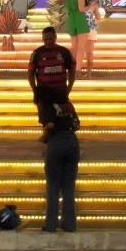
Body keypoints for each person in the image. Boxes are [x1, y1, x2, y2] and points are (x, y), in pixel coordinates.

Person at [41, 99, 80, 232]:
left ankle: (51, 224)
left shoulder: (48, 105)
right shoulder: (68, 105)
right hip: (72, 142)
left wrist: (45, 136)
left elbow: (50, 125)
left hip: (57, 142)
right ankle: (69, 224)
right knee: (69, 186)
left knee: (53, 185)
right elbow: (77, 124)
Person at [28, 27, 77, 126]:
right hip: (44, 93)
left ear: (55, 37)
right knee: (46, 120)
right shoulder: (37, 53)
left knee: (65, 119)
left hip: (60, 91)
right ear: (42, 38)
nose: (48, 41)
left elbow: (72, 69)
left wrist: (69, 87)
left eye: (50, 38)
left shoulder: (64, 52)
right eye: (45, 39)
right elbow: (30, 73)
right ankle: (48, 137)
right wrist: (35, 91)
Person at [63, 0, 94, 72]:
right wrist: (91, 6)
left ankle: (69, 68)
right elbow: (81, 9)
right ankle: (77, 70)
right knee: (81, 48)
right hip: (80, 19)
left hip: (71, 19)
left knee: (74, 46)